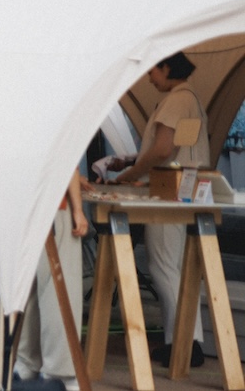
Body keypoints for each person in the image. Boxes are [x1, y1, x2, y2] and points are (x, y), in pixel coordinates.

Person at [103, 51, 211, 360]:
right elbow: (171, 148)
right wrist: (134, 164)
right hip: (185, 191)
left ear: (166, 67)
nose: (149, 78)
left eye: (152, 71)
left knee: (163, 266)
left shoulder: (177, 100)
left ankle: (183, 343)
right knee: (176, 268)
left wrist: (129, 174)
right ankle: (187, 341)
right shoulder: (190, 98)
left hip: (168, 194)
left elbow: (163, 149)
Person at [15, 170, 89, 385]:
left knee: (32, 288)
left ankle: (27, 362)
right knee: (60, 290)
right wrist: (78, 210)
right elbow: (67, 164)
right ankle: (59, 371)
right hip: (54, 204)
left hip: (24, 203)